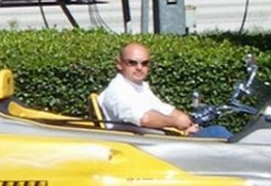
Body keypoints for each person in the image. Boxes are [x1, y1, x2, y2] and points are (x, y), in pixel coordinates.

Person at [98, 42, 232, 139]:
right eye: (132, 63)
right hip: (147, 147)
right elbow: (144, 119)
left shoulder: (140, 86)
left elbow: (163, 108)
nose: (139, 67)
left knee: (218, 132)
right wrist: (176, 122)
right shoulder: (118, 90)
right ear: (119, 64)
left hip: (160, 140)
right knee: (218, 134)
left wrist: (187, 123)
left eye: (145, 63)